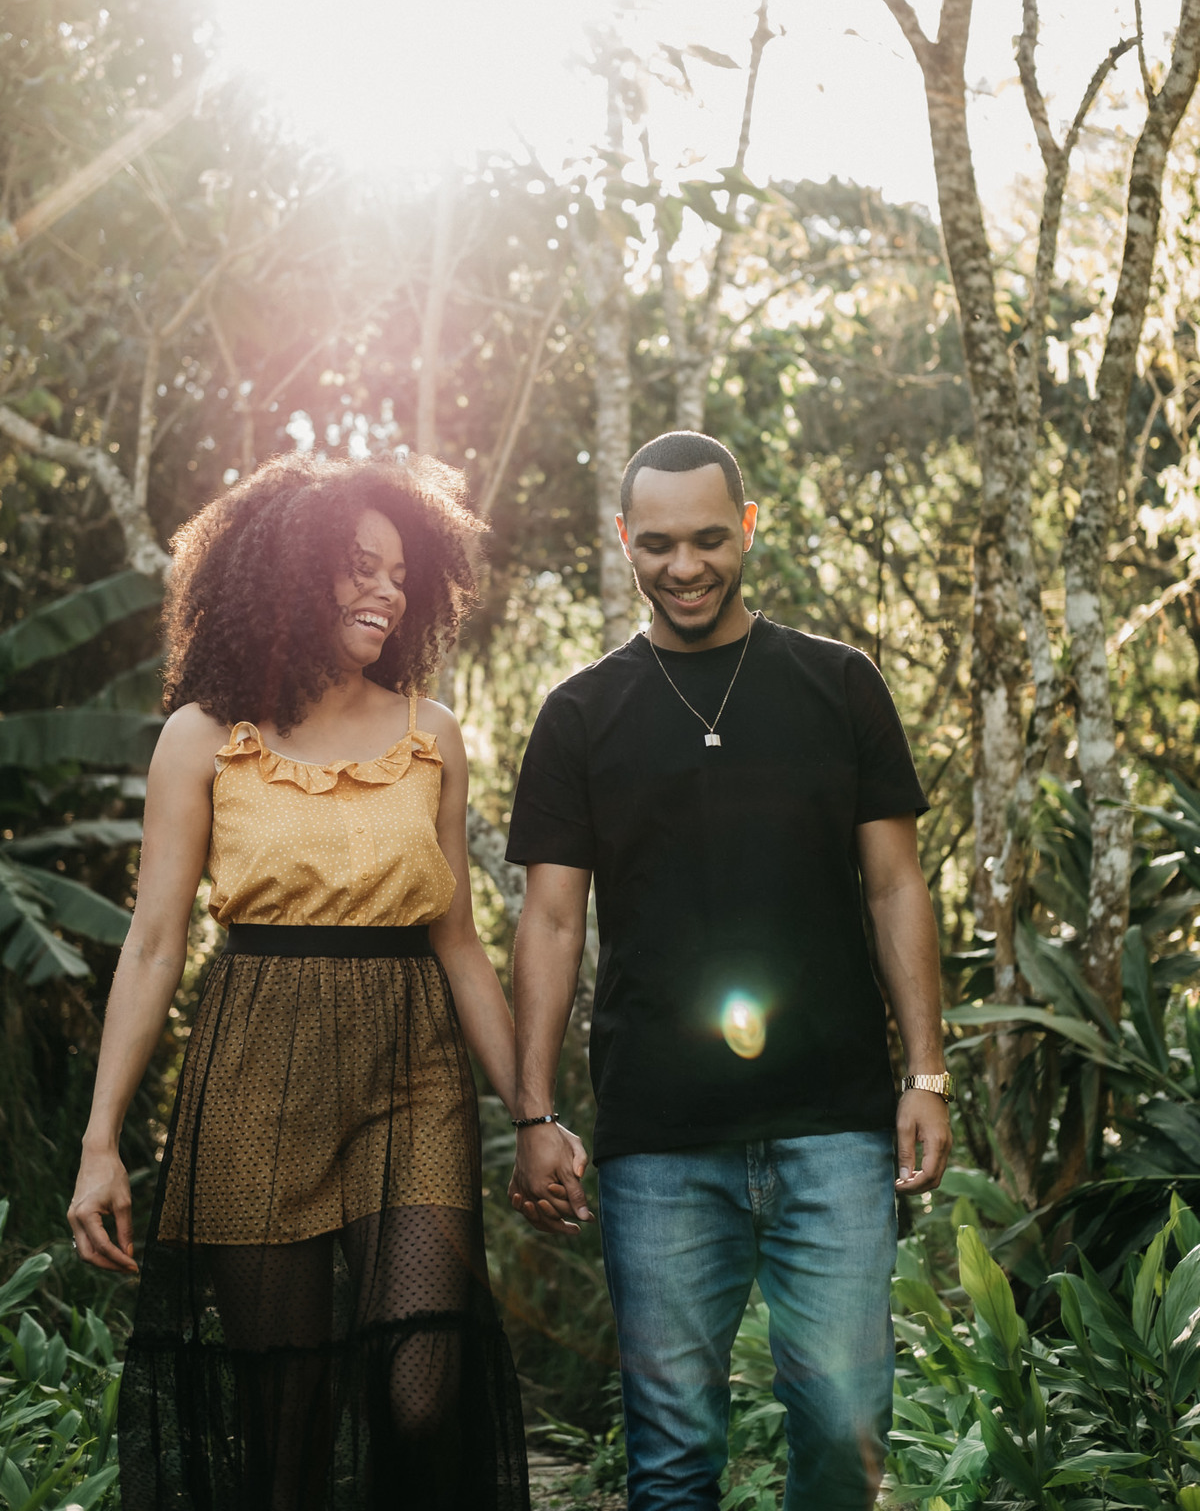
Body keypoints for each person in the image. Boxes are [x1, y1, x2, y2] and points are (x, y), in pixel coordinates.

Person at [68, 452, 553, 1511]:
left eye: (400, 574)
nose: (388, 591)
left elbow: (460, 942)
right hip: (256, 1069)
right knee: (285, 1419)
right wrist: (102, 1142)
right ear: (290, 571)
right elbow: (153, 945)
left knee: (422, 1391)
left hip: (411, 1071)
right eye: (359, 567)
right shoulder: (202, 736)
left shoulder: (430, 734)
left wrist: (534, 1111)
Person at [504, 430, 952, 1511]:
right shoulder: (580, 714)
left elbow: (896, 887)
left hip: (834, 1127)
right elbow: (552, 922)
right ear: (625, 540)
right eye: (658, 544)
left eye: (709, 538)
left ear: (747, 528)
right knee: (671, 1460)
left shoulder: (839, 684)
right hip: (659, 1140)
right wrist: (534, 1111)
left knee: (845, 1435)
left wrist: (927, 1074)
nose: (685, 566)